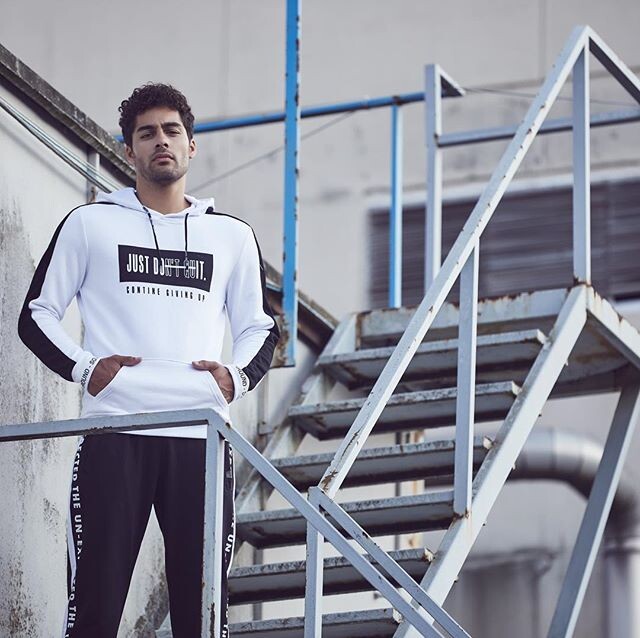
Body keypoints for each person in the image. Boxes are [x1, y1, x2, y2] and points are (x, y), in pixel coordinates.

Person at [18, 83, 279, 638]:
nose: (161, 140)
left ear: (191, 146)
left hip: (201, 437)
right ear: (129, 150)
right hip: (116, 432)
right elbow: (36, 314)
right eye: (147, 133)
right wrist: (86, 368)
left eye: (171, 130)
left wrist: (234, 379)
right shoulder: (90, 223)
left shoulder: (231, 236)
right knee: (94, 610)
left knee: (203, 615)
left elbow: (260, 327)